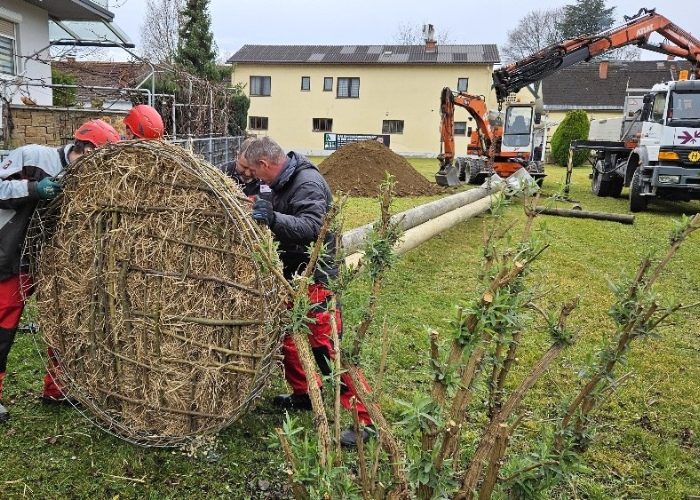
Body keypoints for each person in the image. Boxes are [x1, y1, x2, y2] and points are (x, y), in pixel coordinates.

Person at [238, 136, 375, 448]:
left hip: (317, 279)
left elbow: (312, 228)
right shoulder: (279, 182)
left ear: (265, 164)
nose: (255, 180)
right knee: (289, 340)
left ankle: (363, 420)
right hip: (292, 277)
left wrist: (272, 218)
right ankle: (303, 396)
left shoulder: (307, 183)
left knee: (327, 350)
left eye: (256, 173)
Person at [0, 119, 120, 422]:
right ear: (89, 149)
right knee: (3, 324)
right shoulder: (34, 157)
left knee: (62, 321)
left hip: (52, 261)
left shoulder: (86, 178)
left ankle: (58, 387)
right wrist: (33, 188)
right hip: (12, 253)